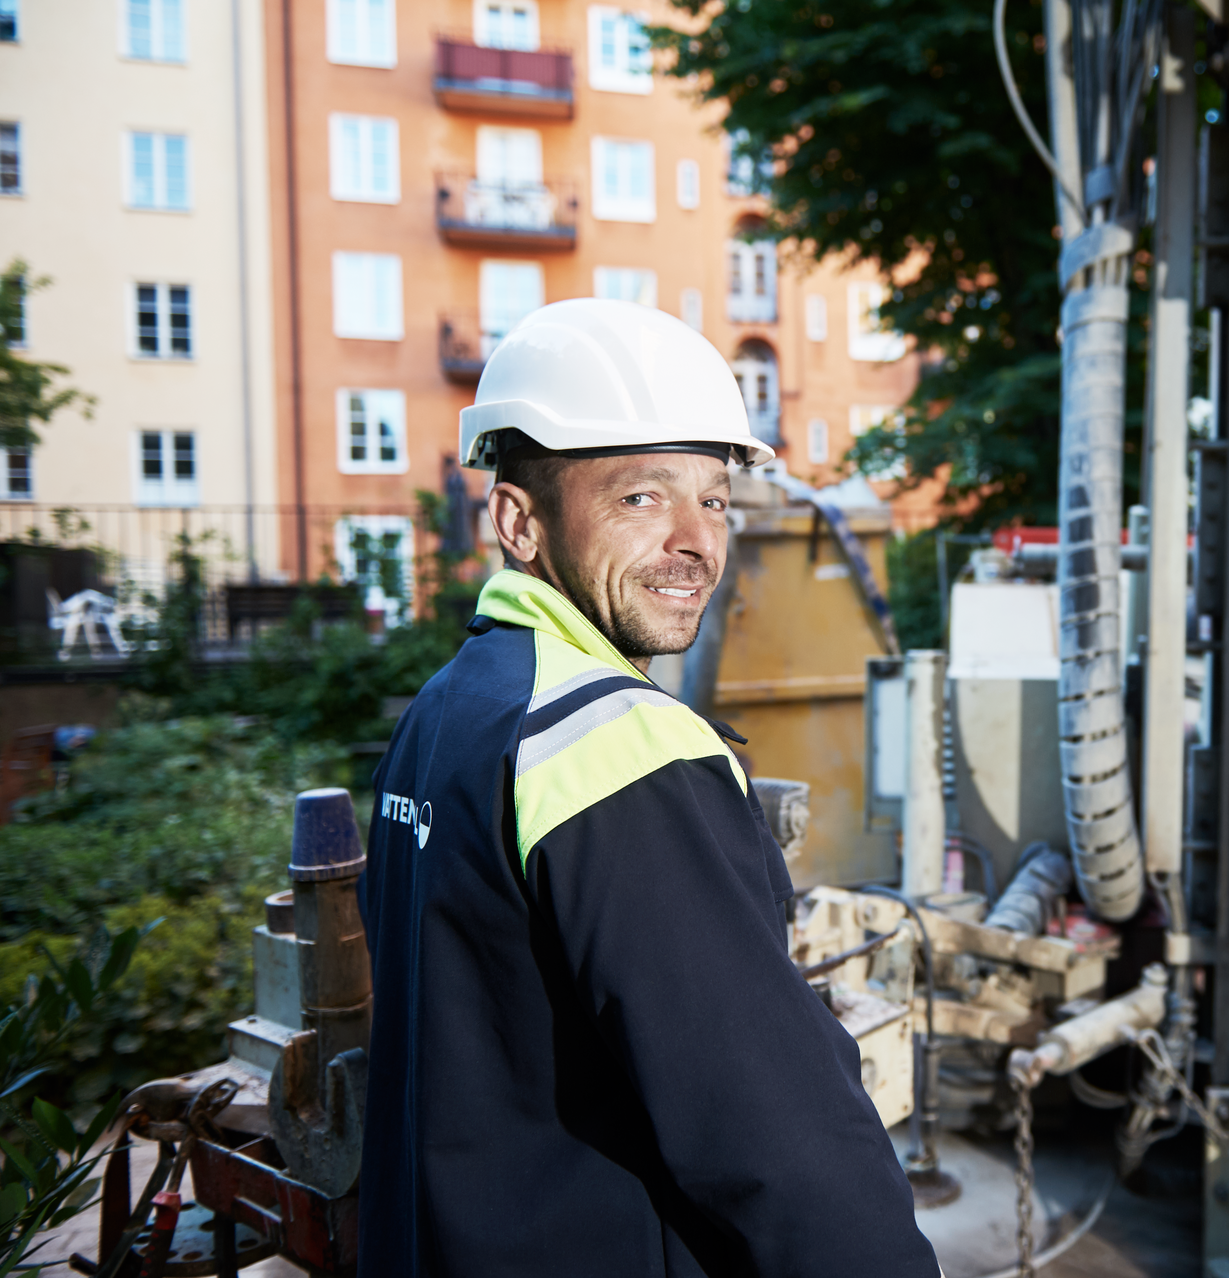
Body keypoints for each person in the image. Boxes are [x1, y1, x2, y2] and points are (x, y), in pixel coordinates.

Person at [357, 299, 940, 1276]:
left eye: (713, 500)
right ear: (519, 521)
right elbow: (772, 1131)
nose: (696, 540)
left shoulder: (446, 715)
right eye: (641, 498)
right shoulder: (617, 744)